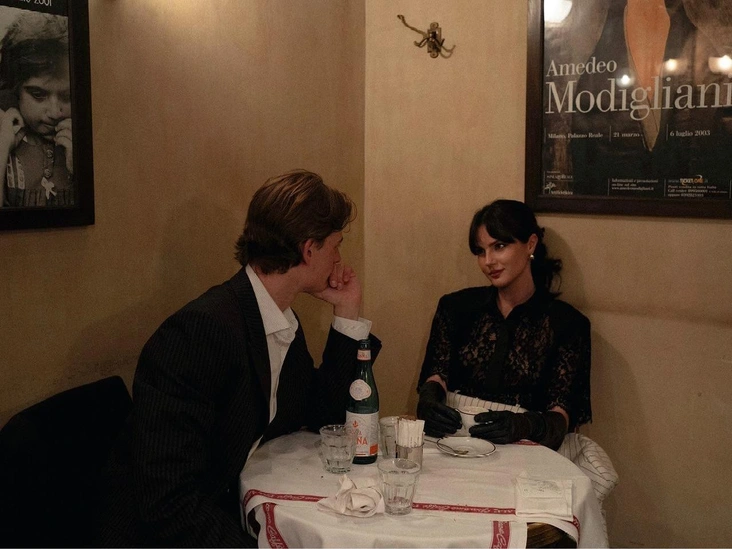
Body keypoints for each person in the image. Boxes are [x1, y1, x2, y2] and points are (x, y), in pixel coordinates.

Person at [96, 170, 380, 546]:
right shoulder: (200, 332)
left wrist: (347, 312)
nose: (339, 258)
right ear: (309, 250)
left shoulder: (279, 319)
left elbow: (323, 415)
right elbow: (167, 501)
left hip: (218, 514)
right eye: (335, 245)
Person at [416, 199, 591, 451]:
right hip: (454, 443)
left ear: (530, 244)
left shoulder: (568, 324)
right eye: (480, 251)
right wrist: (429, 402)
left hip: (529, 454)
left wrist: (522, 425)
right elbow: (436, 376)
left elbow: (560, 418)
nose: (488, 261)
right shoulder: (455, 308)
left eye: (499, 246)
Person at [0, 10, 73, 207]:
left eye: (67, 96)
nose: (55, 112)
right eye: (38, 95)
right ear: (15, 89)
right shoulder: (5, 136)